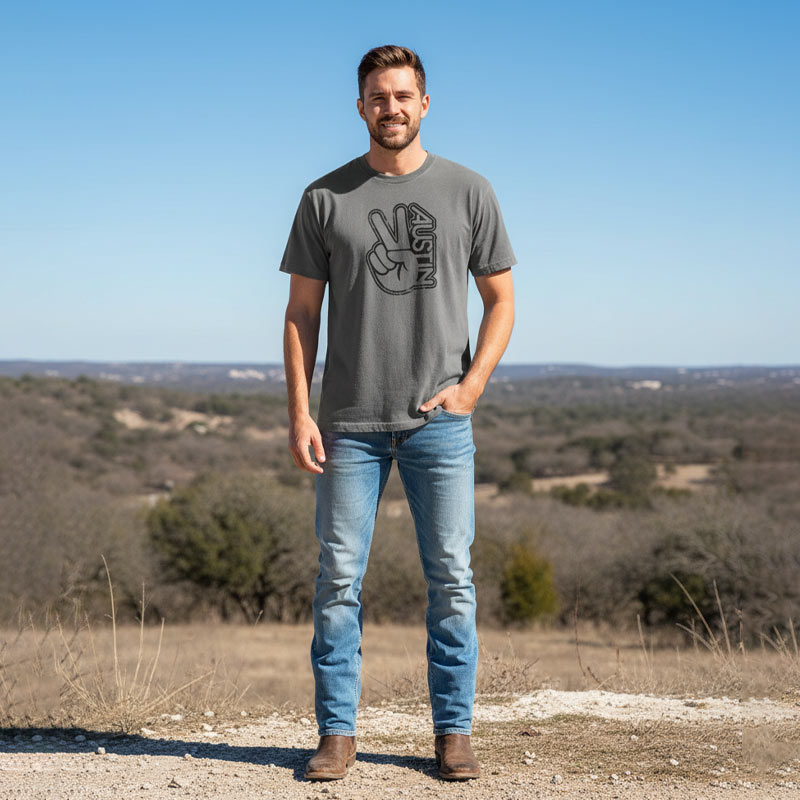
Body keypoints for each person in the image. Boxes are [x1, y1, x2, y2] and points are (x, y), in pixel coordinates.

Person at [279, 44, 516, 781]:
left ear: (424, 103)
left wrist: (470, 388)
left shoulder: (469, 191)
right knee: (338, 580)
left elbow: (502, 301)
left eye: (403, 96)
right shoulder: (325, 197)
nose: (392, 108)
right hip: (348, 423)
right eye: (379, 97)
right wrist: (300, 412)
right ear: (361, 107)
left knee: (452, 580)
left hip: (438, 421)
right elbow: (300, 314)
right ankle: (337, 735)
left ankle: (454, 733)